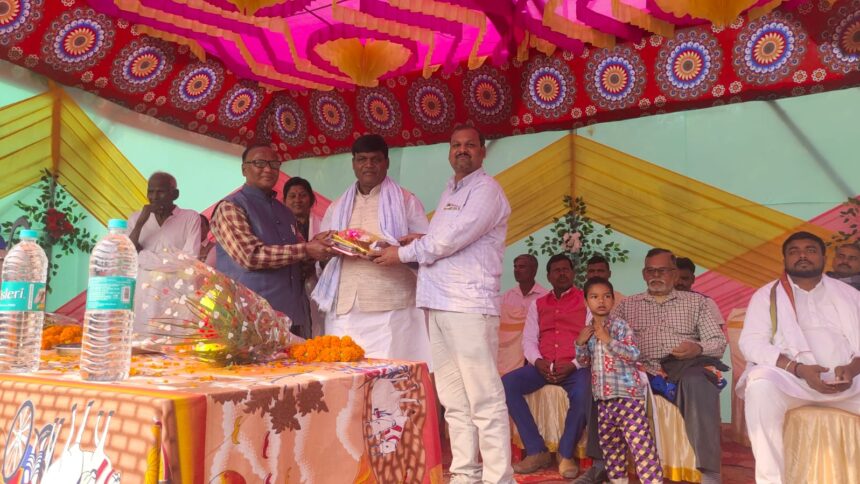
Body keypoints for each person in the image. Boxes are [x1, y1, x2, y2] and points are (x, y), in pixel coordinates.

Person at [373, 124, 514, 484]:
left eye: (470, 145)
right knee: (454, 401)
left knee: (484, 399)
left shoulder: (486, 190)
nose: (462, 150)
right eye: (455, 145)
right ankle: (465, 474)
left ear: (483, 151)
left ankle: (499, 478)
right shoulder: (452, 188)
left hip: (468, 305)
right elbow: (446, 239)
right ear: (449, 151)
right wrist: (422, 238)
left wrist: (401, 253)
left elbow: (449, 241)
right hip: (437, 303)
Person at [577, 248, 727, 484]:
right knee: (597, 379)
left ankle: (709, 472)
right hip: (638, 369)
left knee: (700, 382)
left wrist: (697, 348)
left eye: (663, 270)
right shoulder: (628, 305)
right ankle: (600, 464)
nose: (656, 275)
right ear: (644, 274)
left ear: (674, 273)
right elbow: (604, 333)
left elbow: (718, 342)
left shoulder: (697, 303)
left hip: (682, 368)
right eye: (651, 271)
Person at [739, 231, 860, 484]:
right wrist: (798, 369)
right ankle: (771, 480)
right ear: (784, 259)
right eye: (794, 251)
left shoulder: (850, 295)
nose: (802, 255)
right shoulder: (767, 295)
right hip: (794, 381)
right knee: (760, 385)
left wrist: (852, 369)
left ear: (824, 258)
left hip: (848, 382)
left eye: (810, 250)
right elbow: (751, 343)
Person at [312, 134, 431, 363]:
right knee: (345, 373)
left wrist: (396, 251)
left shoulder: (406, 201)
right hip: (345, 305)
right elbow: (323, 252)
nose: (368, 165)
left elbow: (425, 248)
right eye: (362, 159)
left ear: (386, 163)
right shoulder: (337, 206)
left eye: (375, 159)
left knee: (391, 374)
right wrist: (331, 248)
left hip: (391, 306)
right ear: (353, 164)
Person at [211, 144, 330, 339]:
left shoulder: (285, 212)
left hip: (291, 316)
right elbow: (250, 256)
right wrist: (307, 249)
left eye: (274, 164)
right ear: (244, 169)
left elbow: (300, 261)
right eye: (259, 163)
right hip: (249, 317)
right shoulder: (231, 207)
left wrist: (328, 246)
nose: (268, 169)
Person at [502, 255, 591, 478]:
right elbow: (529, 339)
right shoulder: (539, 303)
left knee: (585, 391)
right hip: (543, 366)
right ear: (548, 276)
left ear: (573, 273)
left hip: (576, 366)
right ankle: (536, 451)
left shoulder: (586, 300)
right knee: (507, 384)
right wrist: (538, 362)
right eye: (556, 270)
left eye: (566, 269)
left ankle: (566, 453)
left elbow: (592, 339)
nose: (561, 274)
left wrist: (574, 364)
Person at [576, 277, 663, 484]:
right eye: (594, 297)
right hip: (603, 400)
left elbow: (634, 354)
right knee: (612, 450)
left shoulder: (620, 326)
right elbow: (584, 362)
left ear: (613, 300)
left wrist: (608, 339)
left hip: (628, 397)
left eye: (606, 296)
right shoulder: (588, 331)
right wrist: (580, 343)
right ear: (586, 301)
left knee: (642, 448)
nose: (601, 301)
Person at [127, 172, 201, 333]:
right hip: (145, 297)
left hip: (178, 296)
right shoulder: (135, 218)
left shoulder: (190, 217)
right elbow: (128, 255)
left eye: (160, 191)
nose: (154, 197)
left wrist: (143, 256)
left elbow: (189, 260)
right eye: (150, 191)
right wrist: (140, 223)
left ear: (175, 194)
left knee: (178, 343)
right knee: (143, 342)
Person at [283, 177, 325, 336]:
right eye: (292, 196)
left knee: (318, 327)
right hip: (289, 284)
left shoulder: (324, 224)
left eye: (302, 195)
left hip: (318, 282)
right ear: (284, 200)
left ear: (312, 199)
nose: (297, 200)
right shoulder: (280, 226)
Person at [498, 254, 548, 376]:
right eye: (515, 267)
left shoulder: (545, 297)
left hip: (535, 355)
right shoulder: (506, 297)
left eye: (522, 267)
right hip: (509, 356)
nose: (517, 270)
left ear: (534, 270)